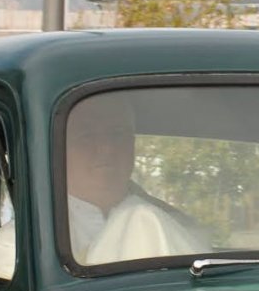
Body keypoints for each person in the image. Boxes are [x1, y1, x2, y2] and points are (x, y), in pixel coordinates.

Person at [63, 95, 209, 265]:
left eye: (117, 134)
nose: (106, 148)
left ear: (132, 144)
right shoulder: (40, 228)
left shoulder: (173, 223)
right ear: (61, 147)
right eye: (86, 136)